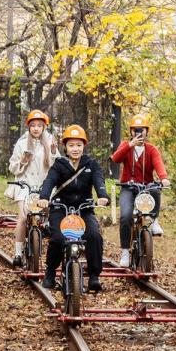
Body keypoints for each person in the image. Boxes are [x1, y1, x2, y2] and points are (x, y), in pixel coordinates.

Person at [37, 125, 109, 292]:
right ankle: (50, 272)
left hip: (84, 208)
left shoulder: (91, 164)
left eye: (78, 145)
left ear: (84, 146)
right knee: (57, 238)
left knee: (94, 236)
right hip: (60, 207)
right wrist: (43, 197)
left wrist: (103, 196)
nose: (75, 149)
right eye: (71, 145)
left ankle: (93, 276)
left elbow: (99, 180)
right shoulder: (59, 164)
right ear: (65, 147)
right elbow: (49, 181)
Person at [110, 115, 170, 267]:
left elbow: (159, 165)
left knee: (156, 189)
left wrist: (163, 178)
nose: (139, 133)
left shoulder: (151, 150)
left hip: (145, 187)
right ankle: (125, 252)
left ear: (146, 132)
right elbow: (115, 159)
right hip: (128, 187)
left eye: (142, 130)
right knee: (125, 217)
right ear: (131, 131)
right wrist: (130, 145)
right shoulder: (125, 145)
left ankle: (154, 220)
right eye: (135, 130)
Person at [6, 109, 59, 266]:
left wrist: (55, 152)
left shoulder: (50, 142)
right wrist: (23, 161)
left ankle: (50, 241)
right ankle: (17, 252)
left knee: (51, 211)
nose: (36, 128)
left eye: (39, 125)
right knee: (22, 218)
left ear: (44, 127)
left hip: (44, 186)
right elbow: (12, 167)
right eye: (33, 125)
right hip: (25, 186)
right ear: (29, 127)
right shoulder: (22, 144)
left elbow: (58, 166)